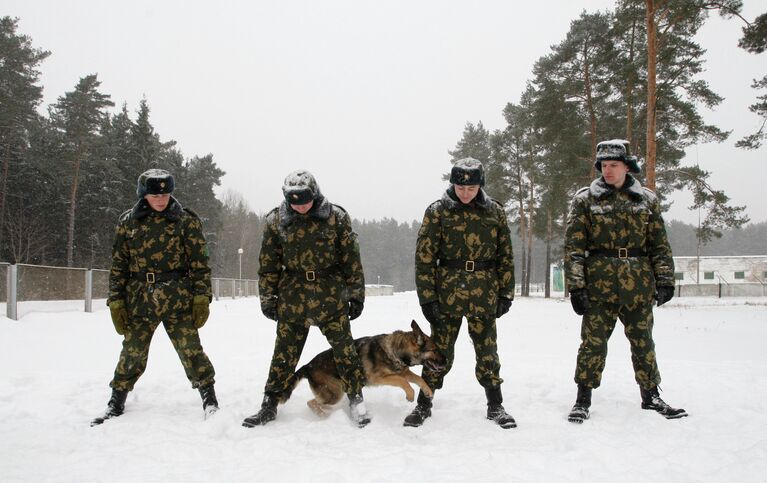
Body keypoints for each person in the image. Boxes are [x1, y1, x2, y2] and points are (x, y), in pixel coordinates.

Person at [564, 139, 687, 423]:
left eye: (613, 165)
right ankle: (583, 398)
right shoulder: (585, 200)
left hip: (638, 284)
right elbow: (574, 248)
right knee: (592, 344)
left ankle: (651, 395)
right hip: (599, 285)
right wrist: (577, 286)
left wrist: (665, 279)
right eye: (603, 166)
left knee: (643, 342)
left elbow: (659, 245)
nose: (607, 171)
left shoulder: (646, 199)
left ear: (627, 166)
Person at [242, 170, 370, 428]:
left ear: (315, 194)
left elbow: (351, 261)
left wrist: (356, 294)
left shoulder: (337, 218)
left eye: (305, 201)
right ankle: (269, 404)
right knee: (284, 354)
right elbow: (268, 265)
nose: (300, 206)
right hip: (293, 298)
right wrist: (268, 298)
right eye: (294, 202)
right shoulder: (275, 221)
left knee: (345, 351)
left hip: (330, 296)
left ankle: (357, 399)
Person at [91, 169, 218, 426]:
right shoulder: (129, 222)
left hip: (177, 296)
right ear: (144, 195)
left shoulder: (186, 221)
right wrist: (115, 300)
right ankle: (116, 400)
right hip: (140, 297)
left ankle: (210, 398)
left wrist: (201, 296)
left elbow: (200, 264)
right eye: (154, 194)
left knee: (191, 349)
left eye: (165, 193)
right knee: (132, 351)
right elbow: (119, 266)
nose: (161, 199)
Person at [407, 158, 516, 429]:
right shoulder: (437, 212)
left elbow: (505, 255)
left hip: (484, 292)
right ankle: (424, 404)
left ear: (480, 186)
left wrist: (506, 293)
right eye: (460, 187)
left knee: (487, 350)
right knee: (438, 352)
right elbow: (424, 258)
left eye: (471, 188)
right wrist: (427, 298)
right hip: (448, 293)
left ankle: (495, 405)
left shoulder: (494, 212)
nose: (465, 193)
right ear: (453, 184)